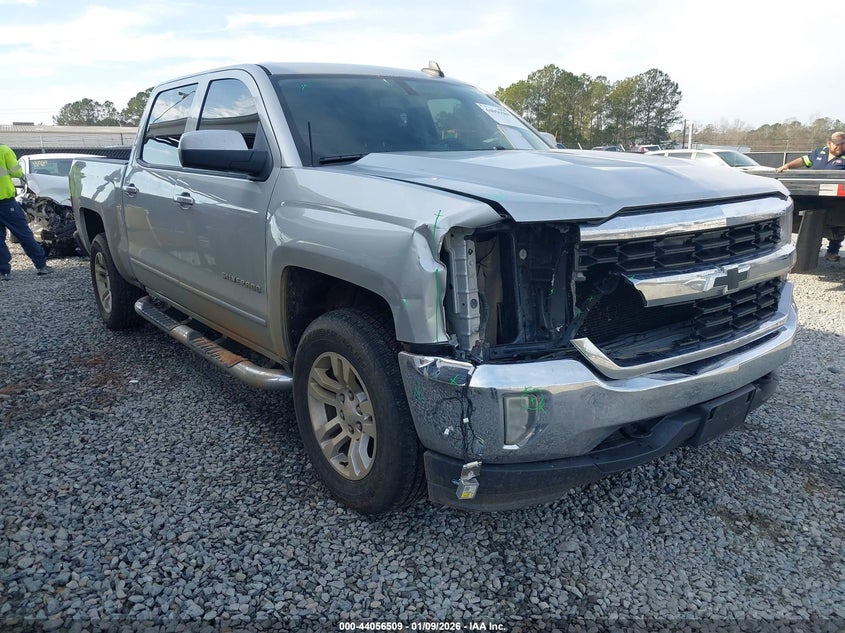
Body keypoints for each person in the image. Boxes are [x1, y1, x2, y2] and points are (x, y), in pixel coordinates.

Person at [775, 131, 845, 262]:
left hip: (835, 199)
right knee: (808, 221)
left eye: (842, 144)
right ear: (828, 143)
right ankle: (806, 252)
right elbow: (803, 160)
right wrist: (787, 166)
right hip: (813, 194)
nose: (839, 147)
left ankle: (832, 251)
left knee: (838, 224)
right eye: (836, 144)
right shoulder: (820, 152)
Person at [0, 144, 53, 280]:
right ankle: (41, 265)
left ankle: (4, 271)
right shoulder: (4, 150)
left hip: (6, 203)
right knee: (23, 234)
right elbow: (16, 172)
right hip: (5, 202)